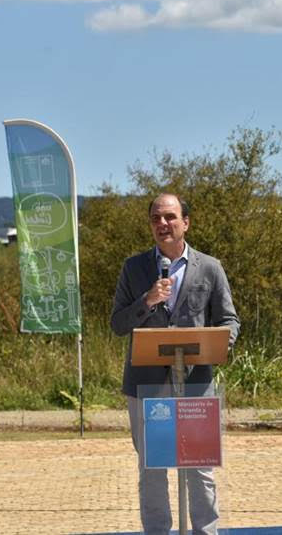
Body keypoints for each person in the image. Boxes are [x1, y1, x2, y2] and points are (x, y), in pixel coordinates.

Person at [111, 193, 240, 535]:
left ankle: (205, 532)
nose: (162, 224)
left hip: (196, 383)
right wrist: (147, 300)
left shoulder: (210, 267)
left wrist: (218, 346)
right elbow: (118, 324)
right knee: (152, 469)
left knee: (200, 469)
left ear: (186, 222)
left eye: (169, 217)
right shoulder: (134, 268)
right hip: (146, 385)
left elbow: (229, 320)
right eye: (156, 218)